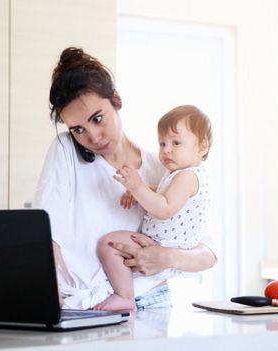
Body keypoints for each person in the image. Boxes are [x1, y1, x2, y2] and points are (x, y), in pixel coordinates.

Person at [34, 47, 217, 310]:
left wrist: (166, 257)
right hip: (86, 304)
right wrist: (51, 295)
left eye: (98, 119)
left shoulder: (166, 167)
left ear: (116, 101)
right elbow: (45, 232)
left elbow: (209, 253)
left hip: (152, 299)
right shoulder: (66, 151)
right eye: (78, 129)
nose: (93, 137)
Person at [93, 105, 212, 311]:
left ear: (201, 147)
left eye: (176, 143)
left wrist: (137, 187)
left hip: (164, 245)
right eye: (162, 143)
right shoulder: (180, 175)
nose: (166, 149)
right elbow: (165, 192)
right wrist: (146, 189)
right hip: (162, 244)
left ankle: (124, 296)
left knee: (109, 245)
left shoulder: (188, 176)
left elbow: (164, 208)